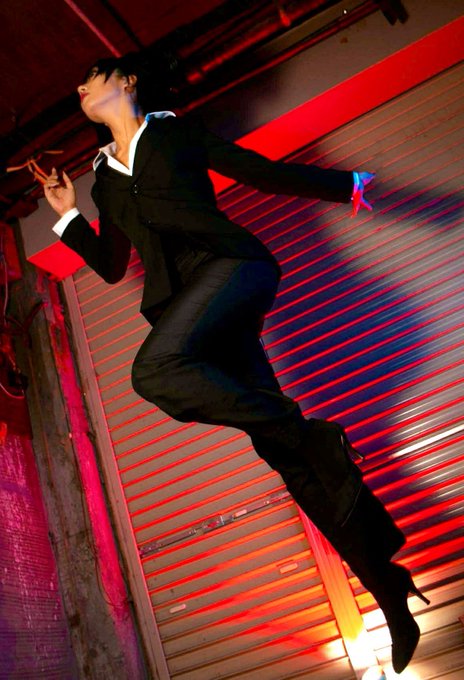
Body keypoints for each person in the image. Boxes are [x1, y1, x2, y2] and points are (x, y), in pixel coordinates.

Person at [44, 52, 429, 674]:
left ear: (128, 81)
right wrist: (67, 214)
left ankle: (310, 432)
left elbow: (260, 173)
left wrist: (345, 186)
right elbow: (114, 265)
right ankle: (389, 588)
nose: (80, 85)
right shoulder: (103, 181)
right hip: (192, 314)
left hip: (232, 268)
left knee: (153, 371)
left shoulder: (175, 132)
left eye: (91, 75)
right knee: (289, 459)